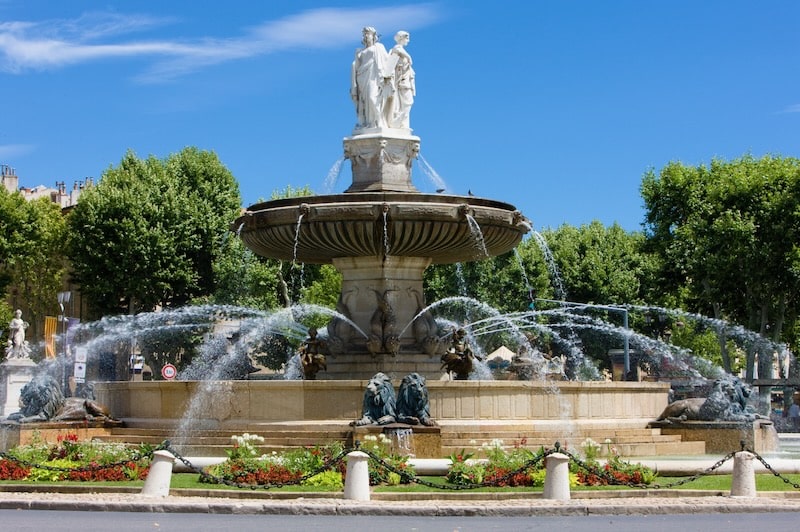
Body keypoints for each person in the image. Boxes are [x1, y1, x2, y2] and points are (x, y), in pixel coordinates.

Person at [351, 27, 394, 130]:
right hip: (362, 77)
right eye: (364, 34)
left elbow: (387, 61)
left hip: (374, 77)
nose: (366, 36)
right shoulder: (359, 51)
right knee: (364, 102)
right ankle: (368, 123)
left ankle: (378, 121)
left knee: (373, 98)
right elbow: (355, 67)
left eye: (368, 34)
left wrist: (390, 74)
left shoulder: (378, 47)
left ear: (374, 36)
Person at [389, 31, 415, 129]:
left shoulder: (401, 51)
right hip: (401, 82)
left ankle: (403, 123)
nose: (408, 40)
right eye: (407, 38)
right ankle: (400, 122)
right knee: (407, 102)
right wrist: (408, 57)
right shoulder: (397, 49)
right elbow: (396, 51)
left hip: (405, 80)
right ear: (401, 38)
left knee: (407, 103)